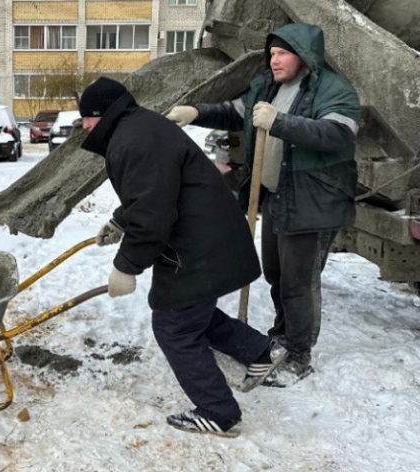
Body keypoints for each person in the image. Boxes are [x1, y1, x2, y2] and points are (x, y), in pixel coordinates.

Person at [80, 77, 286, 438]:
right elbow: (154, 192)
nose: (83, 126)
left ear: (105, 114)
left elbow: (153, 214)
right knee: (192, 312)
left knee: (174, 325)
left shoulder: (132, 141)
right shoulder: (138, 127)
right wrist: (119, 220)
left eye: (88, 117)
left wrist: (126, 266)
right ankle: (261, 353)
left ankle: (218, 412)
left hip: (197, 246)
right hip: (209, 236)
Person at [167, 23, 360, 384]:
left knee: (299, 283)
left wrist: (281, 122)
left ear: (304, 55)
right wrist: (196, 112)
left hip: (312, 201)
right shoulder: (268, 87)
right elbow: (235, 112)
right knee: (276, 275)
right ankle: (283, 337)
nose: (274, 60)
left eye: (282, 53)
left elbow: (338, 134)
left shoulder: (332, 89)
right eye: (271, 54)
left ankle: (299, 355)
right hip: (278, 197)